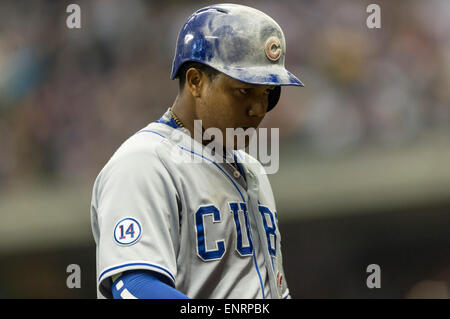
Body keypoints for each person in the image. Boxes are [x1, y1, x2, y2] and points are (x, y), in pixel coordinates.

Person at [90, 3, 304, 299]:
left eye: (267, 94)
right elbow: (135, 289)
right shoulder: (146, 162)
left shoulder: (252, 169)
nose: (258, 109)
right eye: (244, 90)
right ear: (195, 81)